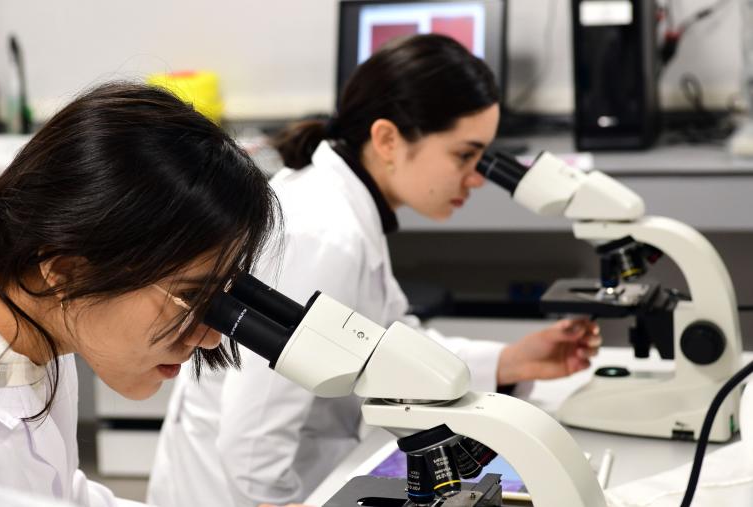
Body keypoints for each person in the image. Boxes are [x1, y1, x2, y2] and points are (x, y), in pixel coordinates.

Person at [148, 34, 601, 507]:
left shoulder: (345, 205)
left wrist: (513, 360)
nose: (477, 177)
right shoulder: (327, 233)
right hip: (240, 492)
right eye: (464, 155)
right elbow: (252, 435)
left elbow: (385, 341)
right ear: (387, 139)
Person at [0, 82, 279, 507]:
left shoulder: (38, 331)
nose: (209, 336)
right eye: (190, 294)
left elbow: (59, 491)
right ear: (66, 271)